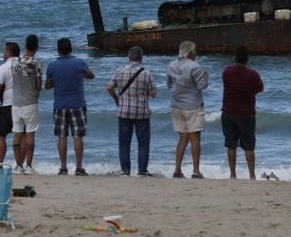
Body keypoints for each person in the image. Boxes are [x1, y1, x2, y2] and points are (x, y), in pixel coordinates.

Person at [44, 37, 95, 176]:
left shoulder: (52, 66)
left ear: (58, 50)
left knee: (62, 136)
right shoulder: (79, 63)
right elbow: (91, 76)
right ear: (71, 49)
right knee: (78, 136)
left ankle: (63, 168)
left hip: (60, 105)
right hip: (77, 104)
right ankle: (79, 168)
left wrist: (58, 81)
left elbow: (47, 86)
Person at [107, 46, 158, 176]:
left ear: (129, 57)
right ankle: (142, 171)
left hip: (124, 111)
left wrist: (116, 99)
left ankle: (125, 171)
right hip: (141, 112)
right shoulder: (146, 73)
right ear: (141, 57)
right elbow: (153, 94)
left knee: (124, 143)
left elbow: (109, 87)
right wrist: (145, 91)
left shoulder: (120, 71)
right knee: (143, 143)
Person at [221, 46, 265, 180]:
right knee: (249, 146)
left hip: (228, 111)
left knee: (231, 144)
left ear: (235, 58)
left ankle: (233, 174)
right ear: (247, 59)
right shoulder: (253, 74)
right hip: (246, 113)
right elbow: (260, 88)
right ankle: (252, 175)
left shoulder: (227, 71)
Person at [166, 40, 209, 179]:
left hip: (176, 106)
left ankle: (177, 169)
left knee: (182, 138)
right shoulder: (194, 66)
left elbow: (169, 85)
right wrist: (206, 78)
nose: (196, 53)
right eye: (194, 51)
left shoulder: (171, 65)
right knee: (195, 139)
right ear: (189, 52)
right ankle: (196, 171)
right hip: (193, 105)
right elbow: (201, 86)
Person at [9, 34, 43, 174]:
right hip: (30, 103)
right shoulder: (36, 63)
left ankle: (18, 166)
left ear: (25, 45)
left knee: (17, 135)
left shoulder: (14, 62)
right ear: (36, 47)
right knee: (30, 135)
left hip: (16, 104)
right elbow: (39, 85)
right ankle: (29, 166)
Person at [0, 41, 19, 168]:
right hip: (23, 104)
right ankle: (20, 165)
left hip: (8, 105)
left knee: (0, 135)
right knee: (21, 135)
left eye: (4, 51)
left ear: (8, 52)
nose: (3, 54)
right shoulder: (24, 65)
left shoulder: (3, 68)